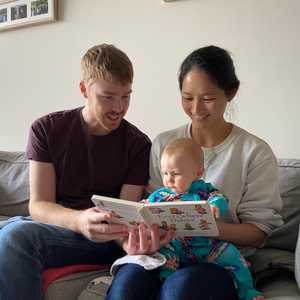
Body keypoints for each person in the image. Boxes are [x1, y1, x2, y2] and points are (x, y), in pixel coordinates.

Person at [108, 45, 283, 300]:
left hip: (218, 260)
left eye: (208, 98)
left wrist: (202, 225)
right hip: (165, 252)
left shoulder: (254, 152)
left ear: (231, 92)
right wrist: (144, 234)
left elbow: (258, 233)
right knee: (126, 286)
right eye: (187, 98)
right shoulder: (164, 144)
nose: (197, 109)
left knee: (179, 290)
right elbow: (153, 207)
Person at [0, 43, 170, 300]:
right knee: (10, 229)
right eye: (108, 96)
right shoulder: (46, 129)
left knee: (15, 236)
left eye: (126, 96)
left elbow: (126, 216)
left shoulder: (138, 144)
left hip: (105, 238)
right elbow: (39, 206)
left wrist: (130, 244)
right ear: (84, 89)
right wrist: (79, 220)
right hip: (60, 226)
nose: (119, 107)